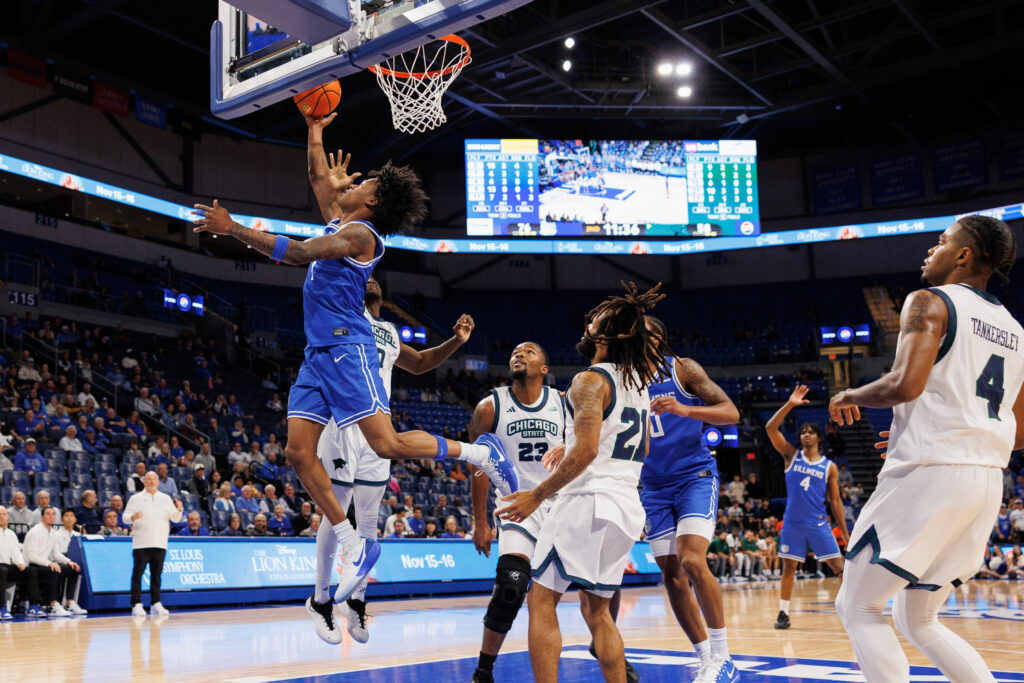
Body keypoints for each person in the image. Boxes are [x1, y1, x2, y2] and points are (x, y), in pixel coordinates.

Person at [193, 114, 515, 613]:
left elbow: (298, 252)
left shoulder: (362, 235)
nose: (353, 181)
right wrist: (314, 125)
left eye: (363, 183)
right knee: (299, 454)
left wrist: (233, 228)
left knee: (384, 443)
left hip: (349, 348)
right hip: (317, 355)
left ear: (373, 202)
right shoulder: (343, 220)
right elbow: (320, 180)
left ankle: (478, 455)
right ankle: (350, 542)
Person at [829, 215, 1024, 682]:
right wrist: (924, 430)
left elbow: (904, 383)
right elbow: (1018, 431)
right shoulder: (1015, 330)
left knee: (857, 605)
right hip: (984, 483)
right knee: (916, 617)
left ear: (963, 255)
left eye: (941, 242)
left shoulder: (929, 301)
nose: (930, 250)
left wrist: (848, 394)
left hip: (932, 476)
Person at [499, 283, 665, 683]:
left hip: (587, 501)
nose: (588, 323)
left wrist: (537, 495)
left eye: (596, 320)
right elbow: (639, 447)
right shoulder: (638, 386)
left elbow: (589, 452)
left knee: (541, 602)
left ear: (605, 336)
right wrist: (569, 442)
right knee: (598, 613)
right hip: (625, 508)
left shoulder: (589, 380)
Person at [311, 275, 479, 644]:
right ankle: (321, 599)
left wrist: (455, 341)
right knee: (336, 511)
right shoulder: (342, 313)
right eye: (362, 275)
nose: (369, 278)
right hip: (343, 423)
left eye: (374, 277)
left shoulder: (387, 328)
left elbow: (418, 364)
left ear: (383, 295)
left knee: (369, 523)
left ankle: (357, 603)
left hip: (379, 428)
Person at [638, 315, 741, 676]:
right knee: (672, 576)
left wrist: (686, 408)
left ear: (660, 339)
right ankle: (705, 659)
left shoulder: (682, 369)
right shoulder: (619, 379)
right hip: (651, 486)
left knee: (693, 562)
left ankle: (724, 656)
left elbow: (731, 413)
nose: (640, 338)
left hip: (694, 477)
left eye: (647, 333)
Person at [466, 341, 570, 683]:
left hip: (560, 504)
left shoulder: (562, 402)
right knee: (511, 587)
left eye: (529, 351)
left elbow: (586, 445)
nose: (519, 354)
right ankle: (484, 670)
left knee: (599, 591)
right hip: (515, 506)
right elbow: (478, 465)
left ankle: (608, 649)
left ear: (544, 368)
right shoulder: (489, 406)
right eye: (515, 351)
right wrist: (480, 521)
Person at [765, 385, 848, 629]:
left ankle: (848, 610)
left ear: (819, 438)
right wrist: (790, 404)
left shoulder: (829, 467)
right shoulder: (791, 455)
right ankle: (783, 613)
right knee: (788, 567)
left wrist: (844, 530)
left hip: (818, 522)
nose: (806, 435)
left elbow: (835, 501)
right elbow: (770, 428)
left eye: (811, 433)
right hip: (792, 522)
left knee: (840, 568)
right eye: (803, 432)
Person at [123, 471, 183, 617]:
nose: (151, 481)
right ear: (144, 481)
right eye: (148, 479)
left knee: (157, 575)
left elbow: (175, 518)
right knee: (137, 574)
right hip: (141, 543)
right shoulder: (135, 498)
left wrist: (180, 509)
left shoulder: (165, 498)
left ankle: (156, 603)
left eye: (154, 479)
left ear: (158, 481)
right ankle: (136, 604)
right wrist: (133, 517)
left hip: (160, 543)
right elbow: (125, 518)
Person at [23, 507, 81, 617]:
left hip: (44, 564)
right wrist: (49, 563)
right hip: (32, 565)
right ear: (42, 517)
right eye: (48, 514)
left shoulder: (53, 533)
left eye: (53, 514)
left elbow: (56, 553)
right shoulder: (35, 531)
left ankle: (69, 602)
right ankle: (52, 604)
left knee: (73, 569)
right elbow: (31, 556)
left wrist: (69, 562)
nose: (51, 516)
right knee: (53, 569)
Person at [0, 505, 42, 619]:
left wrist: (20, 563)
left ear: (8, 517)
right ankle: (1, 608)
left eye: (4, 514)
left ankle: (33, 606)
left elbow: (16, 553)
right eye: (0, 514)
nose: (2, 516)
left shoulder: (11, 534)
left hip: (7, 566)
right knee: (2, 570)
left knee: (31, 571)